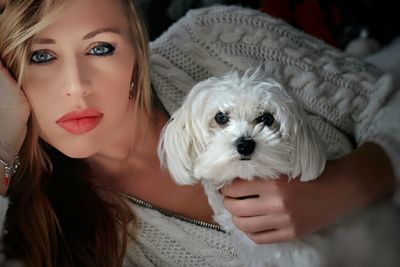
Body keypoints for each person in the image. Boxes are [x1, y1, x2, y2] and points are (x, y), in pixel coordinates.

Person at [0, 0, 398, 266]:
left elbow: (388, 99)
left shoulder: (216, 39)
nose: (77, 86)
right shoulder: (34, 224)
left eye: (101, 48)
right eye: (40, 56)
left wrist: (353, 182)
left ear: (138, 51)